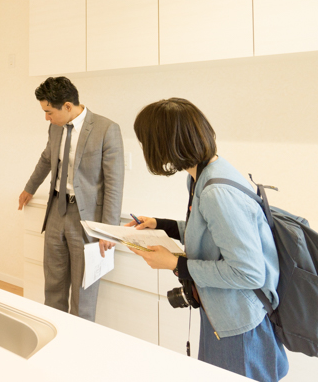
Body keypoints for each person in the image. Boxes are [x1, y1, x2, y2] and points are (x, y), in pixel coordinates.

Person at [127, 98, 288, 381]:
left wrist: (175, 264)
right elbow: (213, 232)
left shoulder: (215, 191)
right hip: (223, 310)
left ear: (164, 144)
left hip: (239, 322)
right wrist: (162, 225)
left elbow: (248, 272)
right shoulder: (203, 174)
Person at [19, 77, 124, 321]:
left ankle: (79, 341)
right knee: (53, 286)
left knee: (83, 291)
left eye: (49, 112)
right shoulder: (56, 126)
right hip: (56, 211)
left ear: (67, 106)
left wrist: (108, 230)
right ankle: (54, 332)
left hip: (86, 219)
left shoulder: (106, 129)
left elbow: (114, 183)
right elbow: (47, 158)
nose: (46, 118)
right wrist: (30, 187)